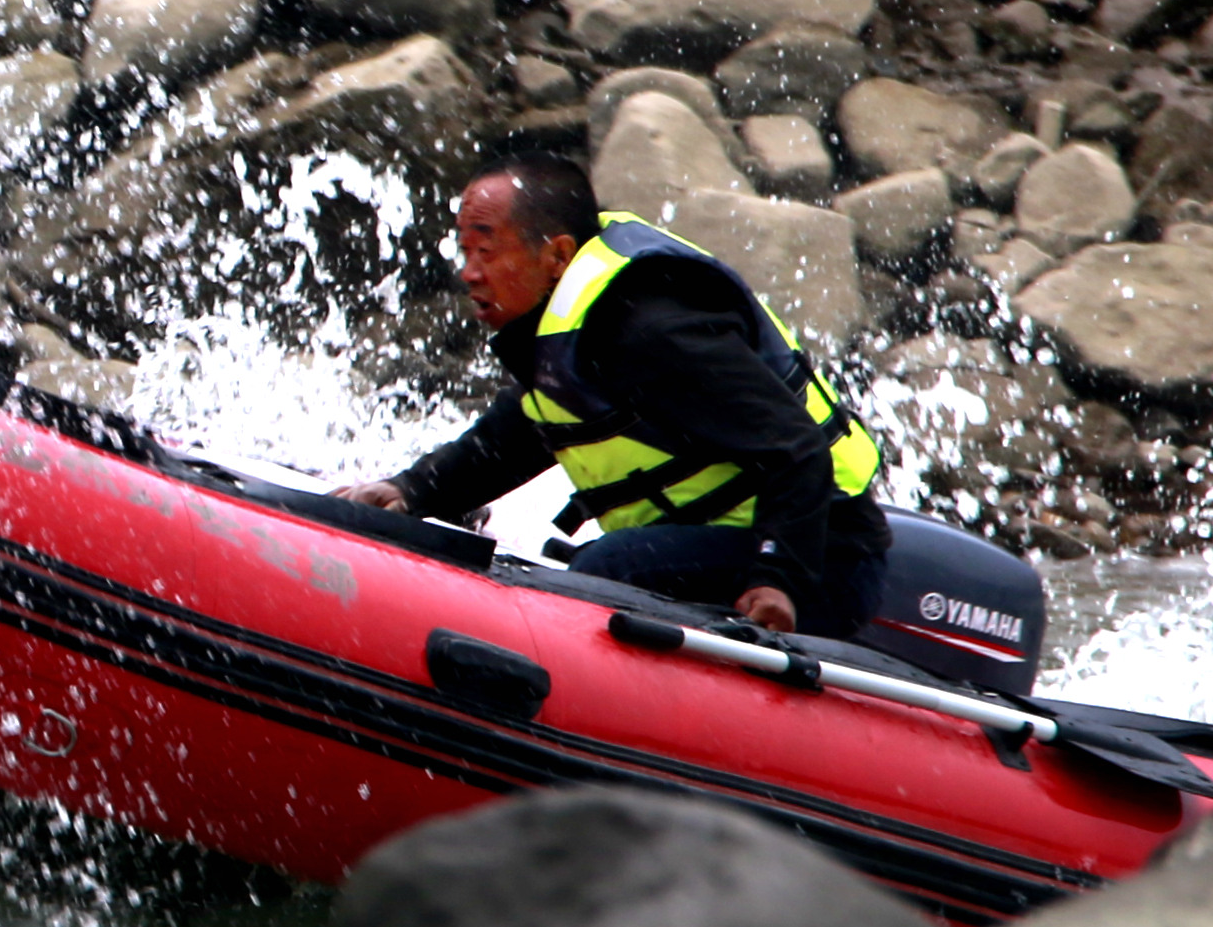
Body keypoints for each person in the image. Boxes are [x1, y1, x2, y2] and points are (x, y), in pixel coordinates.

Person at [336, 148, 887, 638]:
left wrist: (778, 579)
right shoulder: (568, 340)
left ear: (557, 256)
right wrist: (410, 491)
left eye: (486, 252)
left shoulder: (652, 333)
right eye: (465, 252)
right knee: (588, 563)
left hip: (823, 557)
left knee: (614, 566)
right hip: (729, 541)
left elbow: (796, 445)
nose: (469, 274)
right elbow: (516, 435)